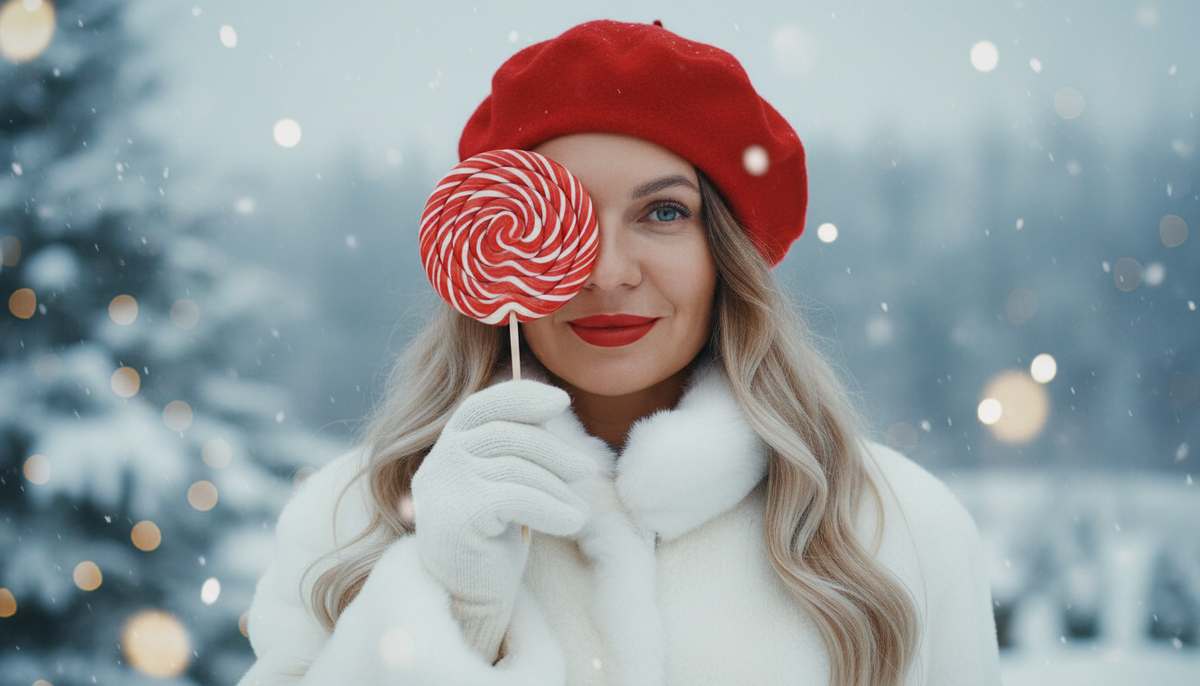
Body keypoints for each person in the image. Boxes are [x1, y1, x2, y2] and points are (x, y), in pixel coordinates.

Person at [237, 19, 1001, 686]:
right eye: (561, 215)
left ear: (724, 252)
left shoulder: (895, 527)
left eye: (663, 213)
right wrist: (450, 593)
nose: (607, 271)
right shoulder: (351, 519)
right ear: (493, 241)